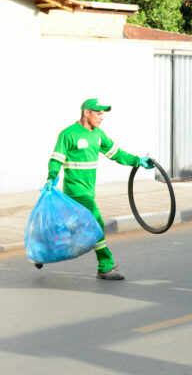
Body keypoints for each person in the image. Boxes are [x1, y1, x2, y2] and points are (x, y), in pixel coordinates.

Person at [46, 98, 154, 280]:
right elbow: (56, 158)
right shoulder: (68, 134)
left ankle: (44, 249)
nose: (102, 117)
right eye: (98, 113)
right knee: (96, 222)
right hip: (75, 190)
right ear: (86, 113)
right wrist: (52, 176)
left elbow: (117, 154)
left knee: (72, 227)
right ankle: (105, 266)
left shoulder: (98, 135)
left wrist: (138, 161)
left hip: (89, 190)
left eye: (103, 113)